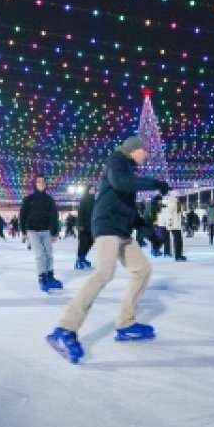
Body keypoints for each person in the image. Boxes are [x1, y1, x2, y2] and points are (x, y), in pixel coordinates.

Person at [46, 135, 170, 364]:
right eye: (145, 151)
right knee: (104, 273)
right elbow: (120, 183)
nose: (147, 155)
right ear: (134, 149)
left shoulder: (129, 172)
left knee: (142, 269)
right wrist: (154, 183)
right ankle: (64, 329)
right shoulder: (116, 160)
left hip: (121, 230)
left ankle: (126, 323)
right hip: (107, 226)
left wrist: (148, 230)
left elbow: (127, 207)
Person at [20, 175, 62, 292]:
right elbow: (22, 216)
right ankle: (42, 278)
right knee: (40, 254)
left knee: (49, 254)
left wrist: (54, 233)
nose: (41, 183)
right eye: (38, 181)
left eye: (43, 181)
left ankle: (50, 277)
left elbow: (54, 217)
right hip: (32, 231)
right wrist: (23, 231)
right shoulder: (28, 199)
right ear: (35, 184)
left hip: (46, 231)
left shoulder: (49, 200)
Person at [74, 184, 96, 269]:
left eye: (94, 189)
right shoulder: (84, 200)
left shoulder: (95, 201)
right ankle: (79, 260)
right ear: (88, 190)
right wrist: (80, 225)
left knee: (90, 243)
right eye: (92, 189)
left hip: (92, 227)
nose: (93, 191)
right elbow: (80, 214)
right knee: (83, 244)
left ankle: (83, 258)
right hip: (83, 226)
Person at [161, 190, 186, 261]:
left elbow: (177, 213)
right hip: (173, 225)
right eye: (178, 195)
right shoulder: (172, 203)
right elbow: (169, 214)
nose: (179, 197)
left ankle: (179, 255)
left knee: (178, 240)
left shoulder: (176, 203)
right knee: (178, 240)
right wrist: (170, 223)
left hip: (175, 224)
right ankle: (178, 256)